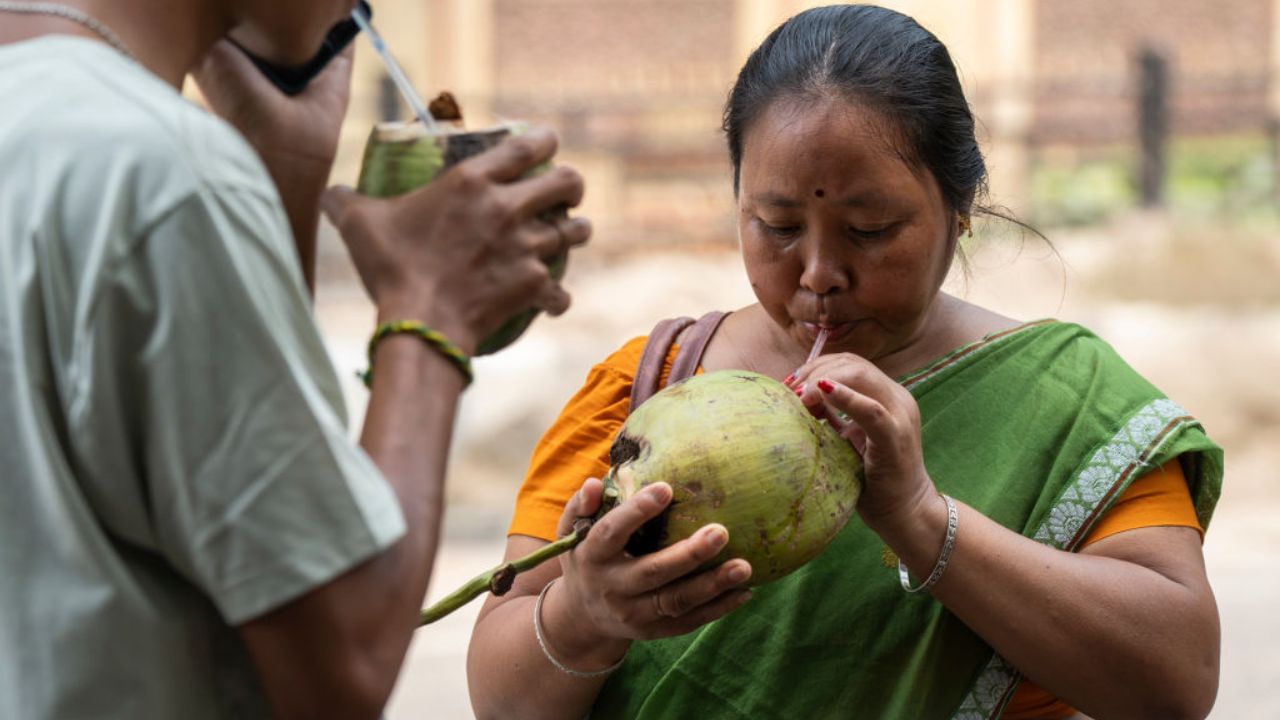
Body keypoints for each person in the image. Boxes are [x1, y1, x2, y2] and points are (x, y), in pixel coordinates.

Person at [467, 5, 1223, 719]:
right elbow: (499, 698)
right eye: (777, 225)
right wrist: (583, 616)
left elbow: (1178, 682)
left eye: (870, 228)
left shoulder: (1066, 402)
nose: (819, 273)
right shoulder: (647, 386)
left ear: (960, 209)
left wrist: (919, 517)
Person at [0, 1, 589, 718]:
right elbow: (342, 663)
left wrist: (281, 183)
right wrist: (431, 305)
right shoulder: (162, 172)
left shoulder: (59, 121)